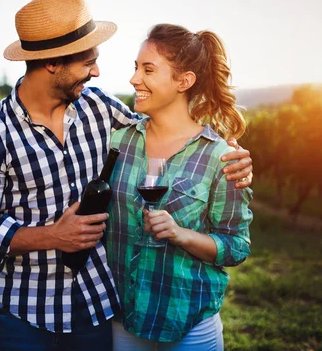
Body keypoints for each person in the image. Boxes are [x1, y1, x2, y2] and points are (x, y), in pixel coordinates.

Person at [0, 0, 253, 350]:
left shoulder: (98, 109)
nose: (97, 72)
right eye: (87, 63)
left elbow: (169, 125)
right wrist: (53, 236)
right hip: (26, 315)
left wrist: (229, 152)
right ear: (53, 62)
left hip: (96, 309)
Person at [106, 23, 254, 351]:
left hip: (188, 322)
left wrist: (180, 235)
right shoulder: (118, 142)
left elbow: (237, 245)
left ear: (183, 81)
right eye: (135, 68)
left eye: (148, 70)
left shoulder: (220, 155)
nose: (134, 79)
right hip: (123, 316)